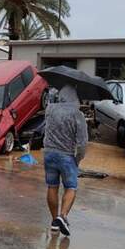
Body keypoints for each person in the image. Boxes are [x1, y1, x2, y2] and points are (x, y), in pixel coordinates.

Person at [43, 84, 88, 236]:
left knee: (52, 186)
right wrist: (78, 158)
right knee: (71, 187)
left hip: (48, 153)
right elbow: (82, 143)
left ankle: (54, 221)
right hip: (67, 156)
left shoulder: (50, 110)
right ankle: (62, 216)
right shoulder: (77, 114)